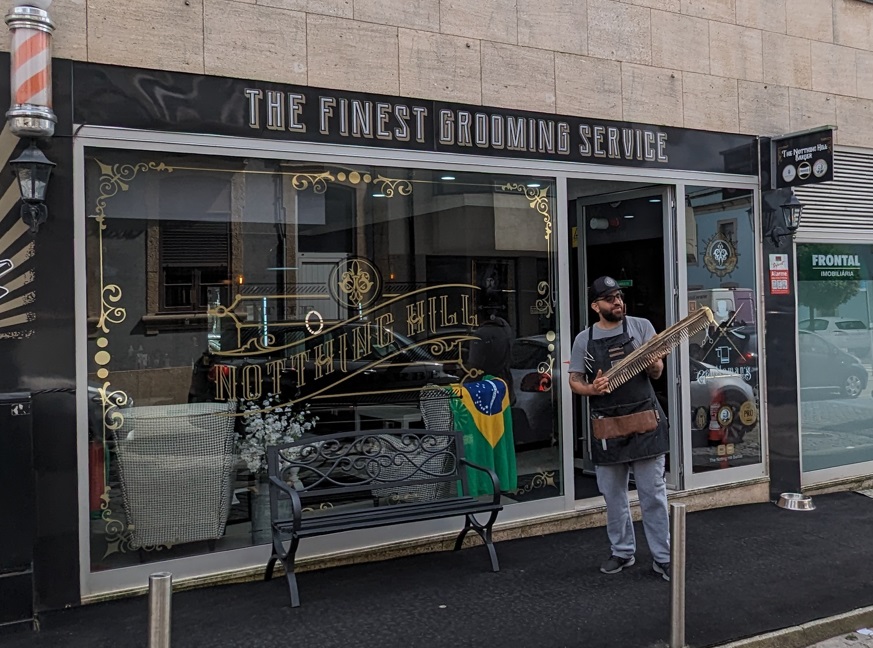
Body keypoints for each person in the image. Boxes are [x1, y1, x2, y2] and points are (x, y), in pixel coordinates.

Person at [568, 276, 671, 582]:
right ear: (595, 306)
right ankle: (622, 552)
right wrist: (592, 388)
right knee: (613, 496)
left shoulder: (641, 327)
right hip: (607, 426)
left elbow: (657, 371)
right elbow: (575, 380)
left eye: (619, 297)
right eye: (610, 298)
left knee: (652, 494)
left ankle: (664, 558)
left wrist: (654, 364)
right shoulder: (583, 340)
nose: (618, 303)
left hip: (645, 422)